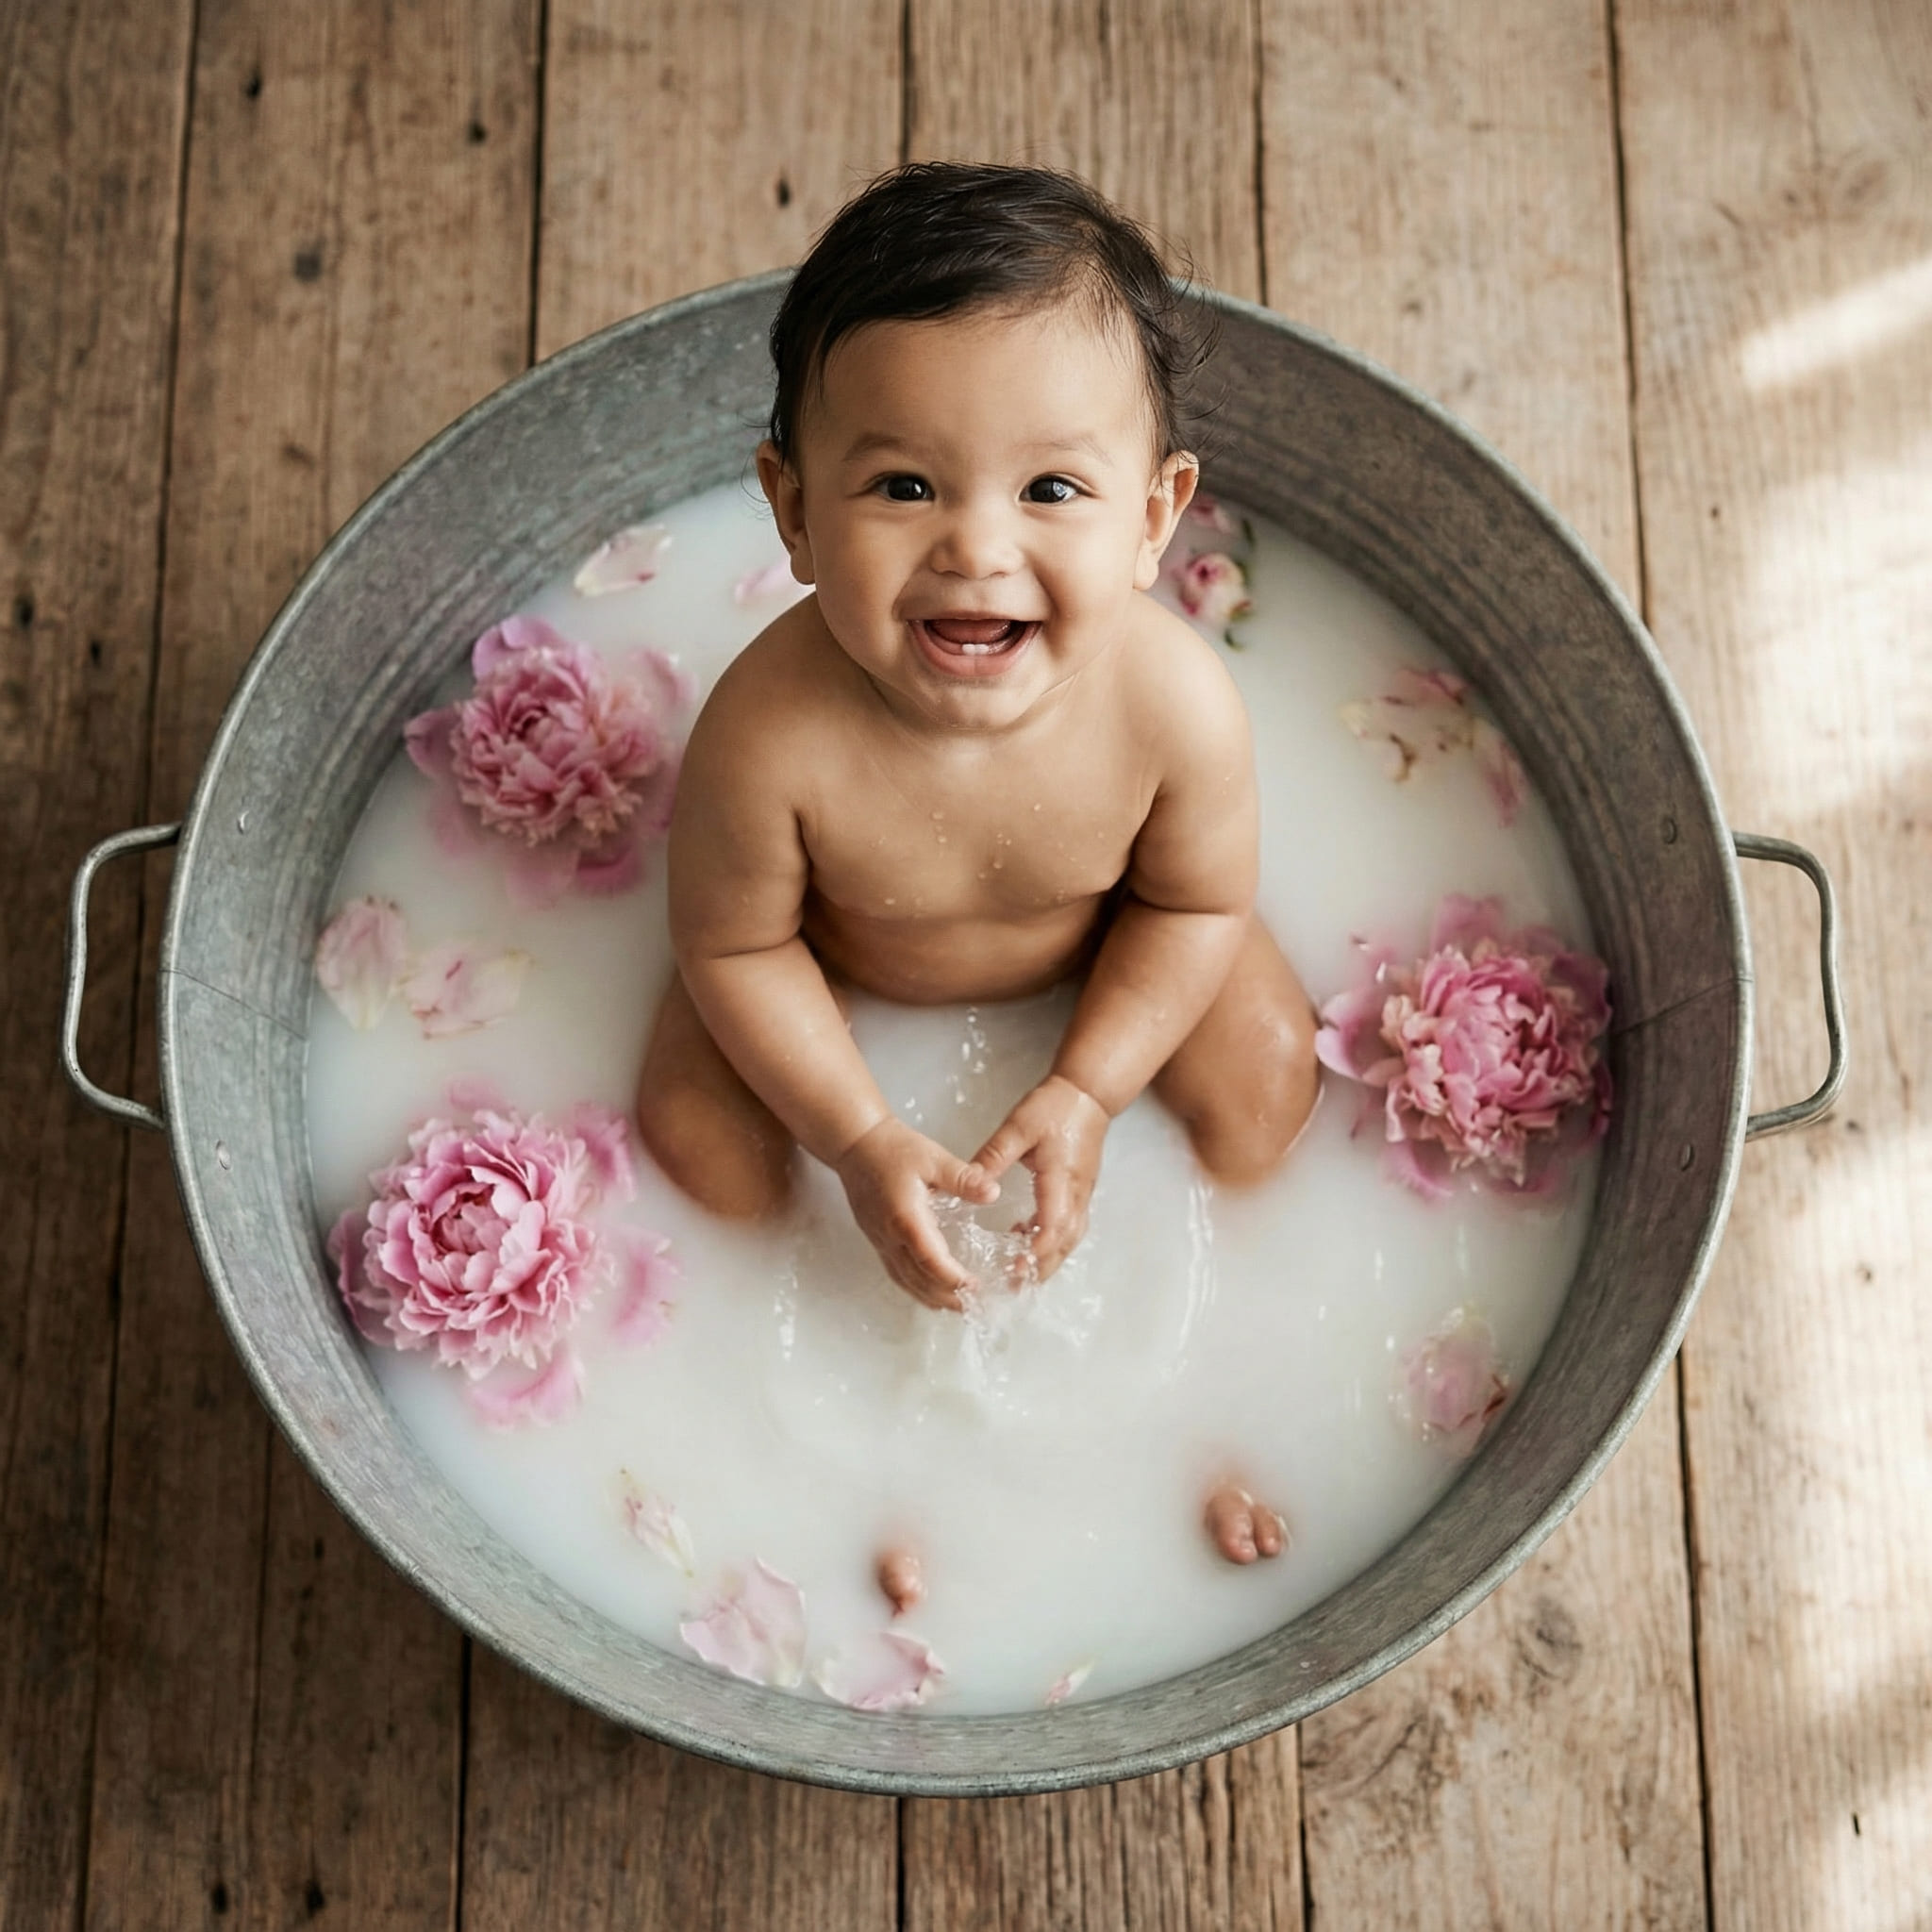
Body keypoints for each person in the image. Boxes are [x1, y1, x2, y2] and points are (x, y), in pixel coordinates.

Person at [637, 162, 1313, 1564]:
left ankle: (1250, 1355)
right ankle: (757, 1414)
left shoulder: (1173, 704)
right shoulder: (770, 737)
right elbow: (736, 946)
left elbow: (1195, 900)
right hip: (828, 967)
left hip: (1110, 948)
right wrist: (855, 1133)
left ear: (1154, 513)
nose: (977, 547)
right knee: (698, 1144)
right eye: (902, 484)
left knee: (1267, 1090)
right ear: (791, 510)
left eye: (1053, 485)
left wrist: (1089, 1083)